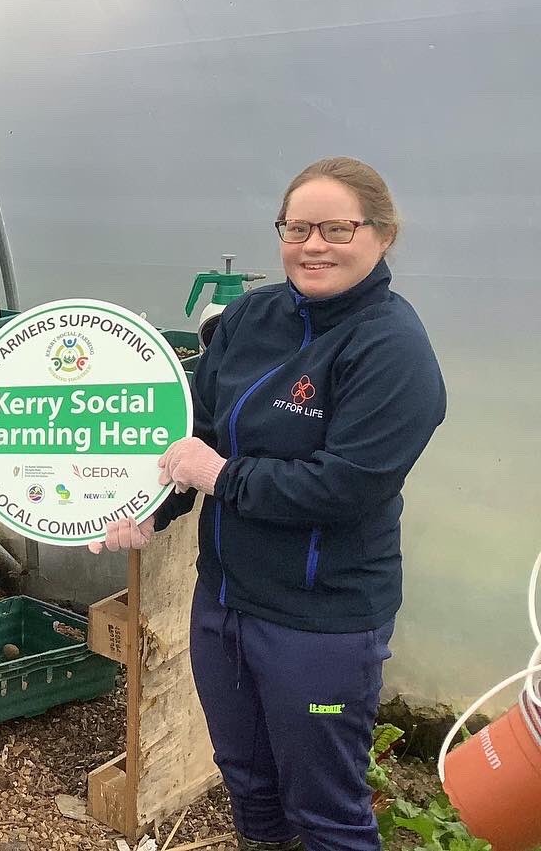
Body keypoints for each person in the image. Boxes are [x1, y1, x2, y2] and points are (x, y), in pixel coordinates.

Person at [92, 157, 446, 851]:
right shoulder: (252, 315)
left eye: (336, 227)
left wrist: (222, 476)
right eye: (297, 227)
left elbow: (346, 486)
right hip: (224, 601)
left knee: (327, 807)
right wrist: (149, 507)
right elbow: (196, 427)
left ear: (382, 234)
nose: (313, 244)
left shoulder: (392, 348)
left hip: (320, 622)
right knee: (247, 778)